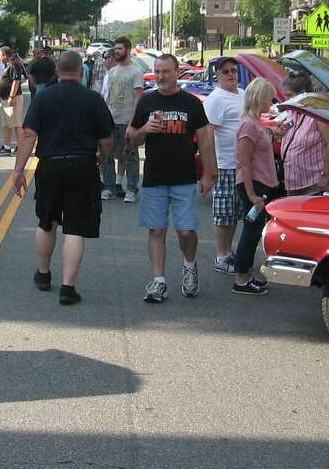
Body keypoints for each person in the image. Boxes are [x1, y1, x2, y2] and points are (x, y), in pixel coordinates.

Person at [12, 50, 114, 305]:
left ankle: (44, 273)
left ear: (58, 70)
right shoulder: (93, 99)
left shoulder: (44, 97)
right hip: (82, 164)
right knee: (75, 227)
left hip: (50, 164)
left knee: (47, 221)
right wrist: (102, 158)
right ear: (81, 71)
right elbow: (107, 139)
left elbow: (28, 135)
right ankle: (68, 287)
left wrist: (18, 170)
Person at [127, 54, 216, 303]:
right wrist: (144, 129)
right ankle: (159, 281)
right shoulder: (147, 100)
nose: (160, 76)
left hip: (184, 177)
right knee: (156, 230)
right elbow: (132, 136)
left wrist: (208, 173)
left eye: (166, 71)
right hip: (154, 177)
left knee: (186, 232)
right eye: (157, 71)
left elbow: (206, 140)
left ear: (177, 72)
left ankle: (189, 266)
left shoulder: (191, 103)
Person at [232, 78, 285, 296]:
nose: (271, 102)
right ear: (259, 97)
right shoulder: (248, 124)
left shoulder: (256, 122)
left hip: (261, 183)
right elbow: (244, 160)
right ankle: (241, 278)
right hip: (253, 185)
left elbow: (261, 142)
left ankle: (245, 275)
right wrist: (252, 193)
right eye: (269, 98)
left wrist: (274, 133)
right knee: (251, 231)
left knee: (254, 232)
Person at [201, 57, 245, 273]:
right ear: (218, 75)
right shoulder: (215, 99)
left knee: (234, 212)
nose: (231, 74)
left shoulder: (243, 94)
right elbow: (207, 134)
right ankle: (220, 255)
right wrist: (211, 166)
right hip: (225, 163)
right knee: (222, 211)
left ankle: (229, 252)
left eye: (234, 71)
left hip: (242, 165)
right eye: (226, 71)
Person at [280, 72, 329, 198]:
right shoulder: (292, 111)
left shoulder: (319, 114)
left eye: (289, 95)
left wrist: (325, 175)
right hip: (294, 182)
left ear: (303, 94)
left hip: (315, 183)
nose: (286, 99)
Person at [102, 37, 144, 202]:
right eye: (115, 49)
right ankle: (109, 187)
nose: (116, 51)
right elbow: (108, 96)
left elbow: (138, 99)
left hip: (128, 121)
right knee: (108, 155)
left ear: (127, 49)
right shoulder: (112, 72)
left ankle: (131, 190)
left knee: (130, 156)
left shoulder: (136, 71)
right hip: (111, 120)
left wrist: (133, 124)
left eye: (119, 49)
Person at [0, 46, 27, 155]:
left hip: (13, 99)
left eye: (0, 55)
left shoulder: (13, 65)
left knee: (16, 123)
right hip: (5, 99)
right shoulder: (8, 65)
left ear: (4, 55)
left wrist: (11, 96)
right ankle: (7, 147)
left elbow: (16, 81)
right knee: (7, 124)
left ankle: (22, 147)